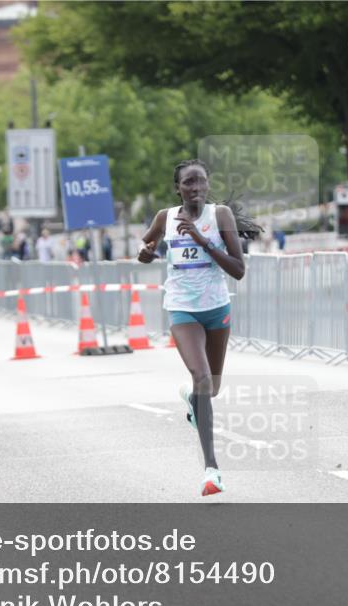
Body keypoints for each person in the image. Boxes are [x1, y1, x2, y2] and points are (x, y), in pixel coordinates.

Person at [137, 159, 262, 496]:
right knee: (203, 379)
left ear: (207, 185)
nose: (196, 188)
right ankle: (212, 470)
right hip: (182, 309)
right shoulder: (165, 218)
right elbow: (144, 249)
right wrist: (147, 253)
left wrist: (203, 241)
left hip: (216, 307)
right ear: (177, 188)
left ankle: (195, 403)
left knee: (211, 389)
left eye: (201, 181)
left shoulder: (220, 216)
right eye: (188, 182)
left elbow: (238, 269)